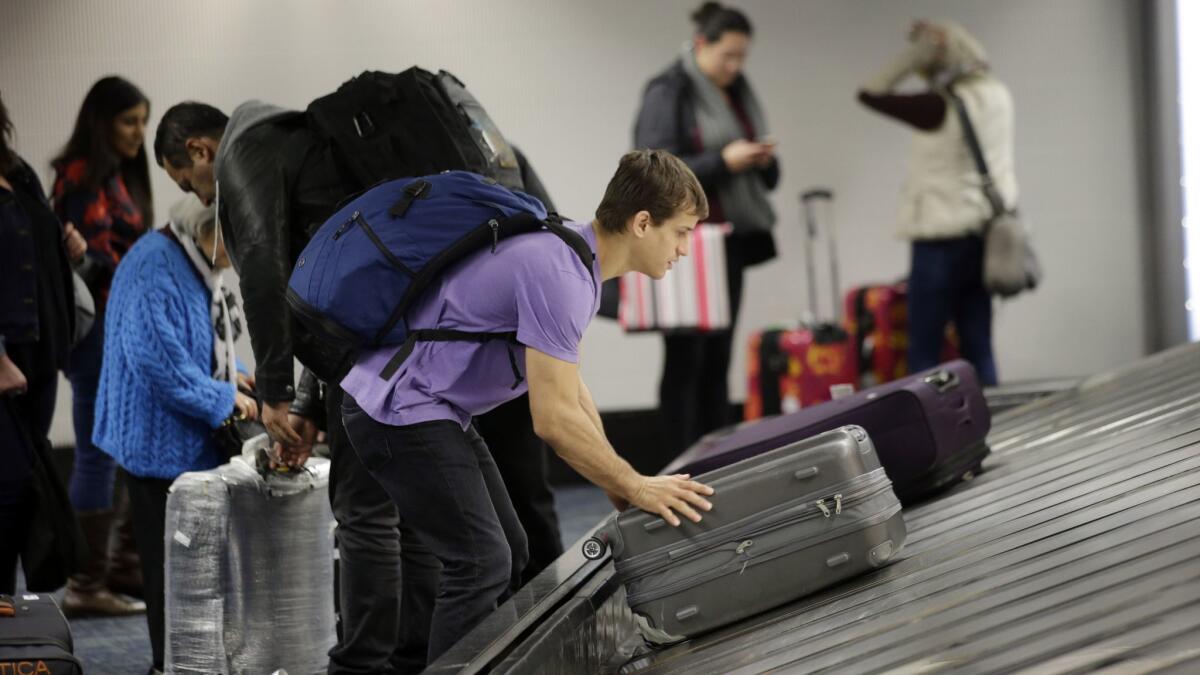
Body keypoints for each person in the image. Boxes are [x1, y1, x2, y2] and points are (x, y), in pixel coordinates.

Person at [152, 97, 565, 672]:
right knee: (426, 518)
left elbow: (271, 275)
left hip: (370, 356)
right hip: (408, 340)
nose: (202, 198)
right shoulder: (308, 143)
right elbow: (328, 288)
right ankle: (411, 652)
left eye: (190, 182)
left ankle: (362, 665)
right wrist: (304, 397)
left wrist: (274, 393)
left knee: (368, 512)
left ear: (200, 149)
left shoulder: (244, 156)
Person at [340, 149, 718, 668]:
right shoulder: (560, 274)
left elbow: (572, 389)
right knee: (480, 562)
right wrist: (635, 484)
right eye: (681, 233)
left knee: (510, 549)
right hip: (398, 408)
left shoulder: (574, 259)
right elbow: (553, 420)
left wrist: (617, 483)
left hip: (432, 407)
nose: (684, 250)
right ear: (643, 222)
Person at [93, 195, 257, 675]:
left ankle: (192, 663)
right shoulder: (154, 264)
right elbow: (160, 363)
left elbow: (204, 340)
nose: (242, 255)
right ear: (215, 230)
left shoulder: (192, 257)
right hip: (156, 445)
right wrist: (225, 398)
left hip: (182, 443)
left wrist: (236, 375)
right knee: (173, 579)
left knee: (196, 573)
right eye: (239, 243)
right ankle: (170, 667)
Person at [634, 1, 780, 457]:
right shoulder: (669, 89)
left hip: (729, 242)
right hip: (686, 245)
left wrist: (760, 160)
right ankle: (678, 465)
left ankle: (719, 462)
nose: (735, 67)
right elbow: (652, 167)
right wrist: (724, 160)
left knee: (719, 358)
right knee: (687, 361)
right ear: (701, 45)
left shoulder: (736, 92)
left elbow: (767, 180)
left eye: (742, 58)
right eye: (727, 56)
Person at [857, 19, 1014, 385]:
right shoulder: (998, 95)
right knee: (979, 345)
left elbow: (870, 93)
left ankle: (933, 434)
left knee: (925, 350)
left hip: (939, 241)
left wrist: (916, 54)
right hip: (983, 235)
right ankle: (995, 426)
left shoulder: (937, 106)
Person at [51, 75, 153, 615]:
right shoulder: (81, 177)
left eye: (143, 120)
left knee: (115, 447)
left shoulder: (113, 174)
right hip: (94, 332)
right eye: (129, 121)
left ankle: (114, 571)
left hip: (117, 328)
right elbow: (86, 261)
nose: (140, 132)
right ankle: (85, 585)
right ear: (102, 122)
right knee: (96, 453)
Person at [0, 92, 82, 594]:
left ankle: (13, 610)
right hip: (4, 352)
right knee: (6, 483)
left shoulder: (19, 170)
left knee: (27, 478)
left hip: (40, 344)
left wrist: (64, 243)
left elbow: (32, 240)